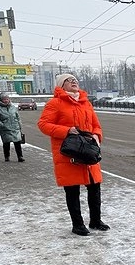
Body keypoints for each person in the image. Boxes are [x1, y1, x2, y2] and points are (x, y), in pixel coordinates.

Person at [38, 73, 109, 237]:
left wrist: (96, 136)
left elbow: (96, 125)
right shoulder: (55, 103)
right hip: (68, 153)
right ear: (61, 85)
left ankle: (95, 221)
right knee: (72, 190)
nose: (74, 82)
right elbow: (43, 124)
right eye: (69, 80)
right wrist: (67, 131)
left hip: (88, 151)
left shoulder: (85, 102)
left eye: (75, 80)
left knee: (94, 186)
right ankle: (77, 225)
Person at [0, 92, 24, 162]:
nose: (6, 100)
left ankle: (20, 156)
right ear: (1, 100)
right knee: (6, 143)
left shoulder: (12, 107)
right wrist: (2, 125)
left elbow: (17, 116)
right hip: (5, 128)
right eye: (4, 99)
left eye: (7, 99)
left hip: (15, 127)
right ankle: (7, 156)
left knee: (17, 143)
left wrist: (19, 124)